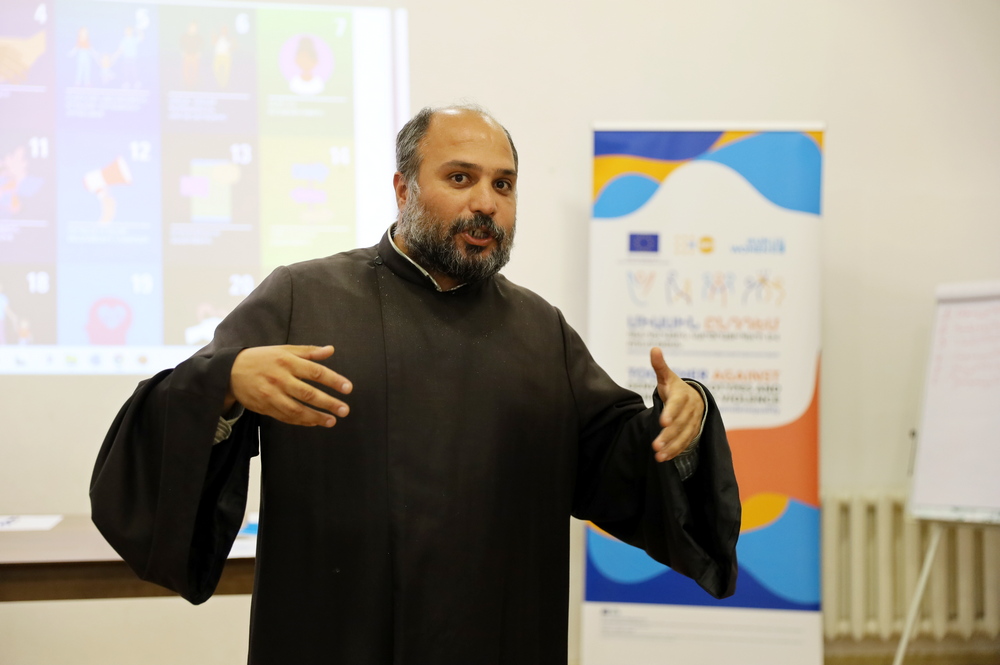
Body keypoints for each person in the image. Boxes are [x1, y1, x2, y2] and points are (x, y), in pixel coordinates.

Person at [91, 106, 740, 665]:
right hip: (337, 638)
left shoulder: (542, 331)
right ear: (402, 187)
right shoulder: (301, 296)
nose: (486, 201)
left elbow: (615, 458)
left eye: (503, 184)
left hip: (499, 636)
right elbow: (175, 425)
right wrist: (225, 386)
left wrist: (680, 418)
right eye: (460, 178)